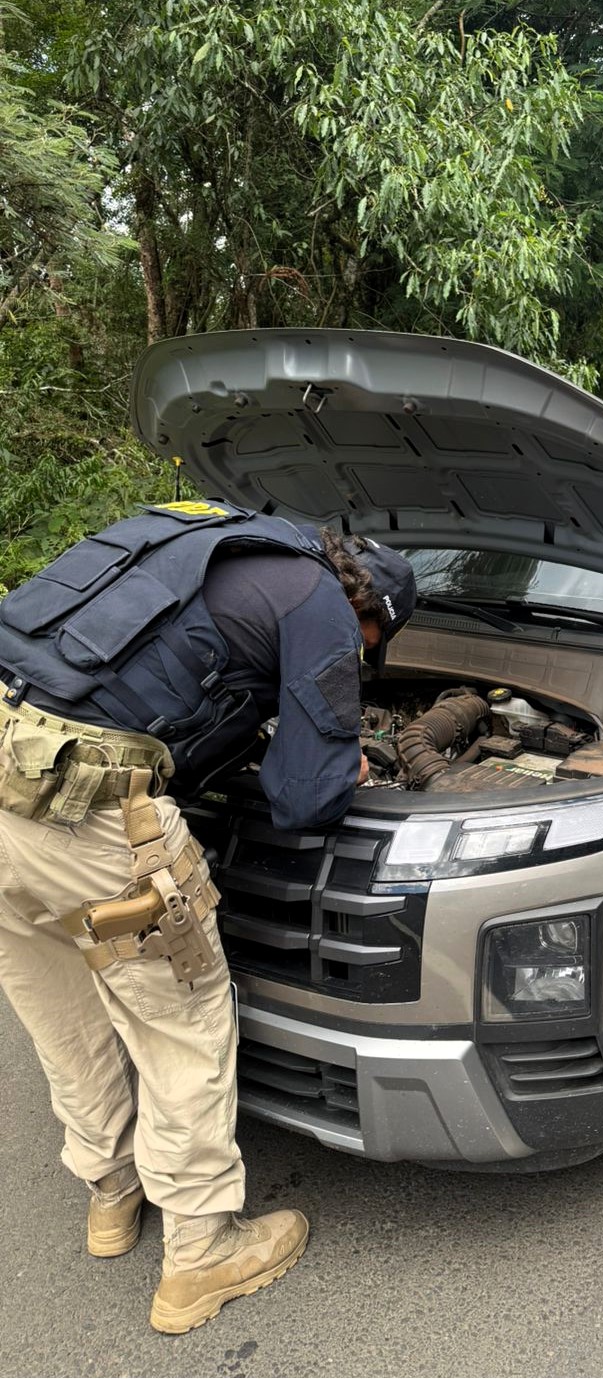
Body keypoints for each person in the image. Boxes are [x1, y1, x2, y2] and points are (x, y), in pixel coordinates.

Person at [0, 498, 415, 1333]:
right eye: (373, 645)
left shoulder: (205, 533)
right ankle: (200, 1253)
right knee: (182, 1022)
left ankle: (112, 1193)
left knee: (64, 1014)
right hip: (91, 809)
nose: (364, 656)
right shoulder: (323, 605)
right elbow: (302, 798)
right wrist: (345, 760)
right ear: (369, 609)